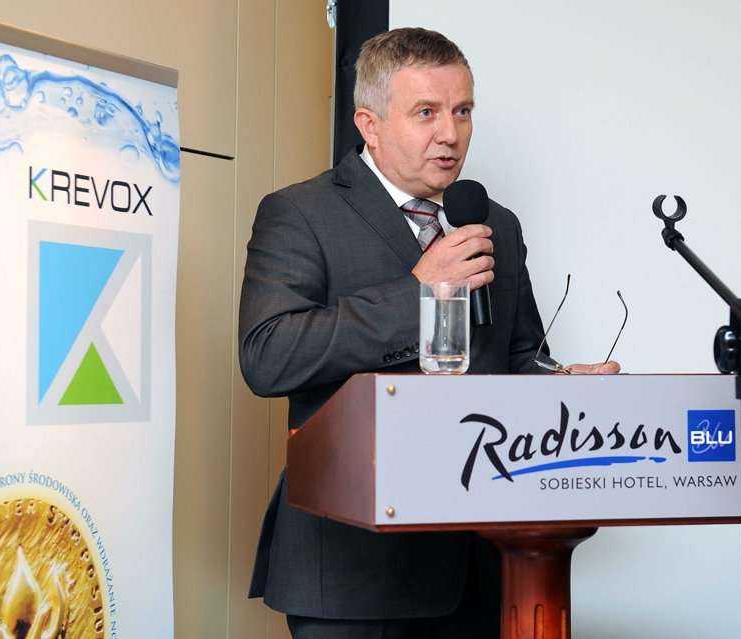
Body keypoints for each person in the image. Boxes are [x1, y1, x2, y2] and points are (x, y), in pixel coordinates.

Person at [238, 27, 620, 639]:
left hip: (483, 563)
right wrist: (421, 294)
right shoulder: (301, 213)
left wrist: (560, 381)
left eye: (462, 111)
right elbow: (269, 355)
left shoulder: (495, 223)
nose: (450, 133)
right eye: (426, 113)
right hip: (353, 573)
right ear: (369, 124)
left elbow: (518, 356)